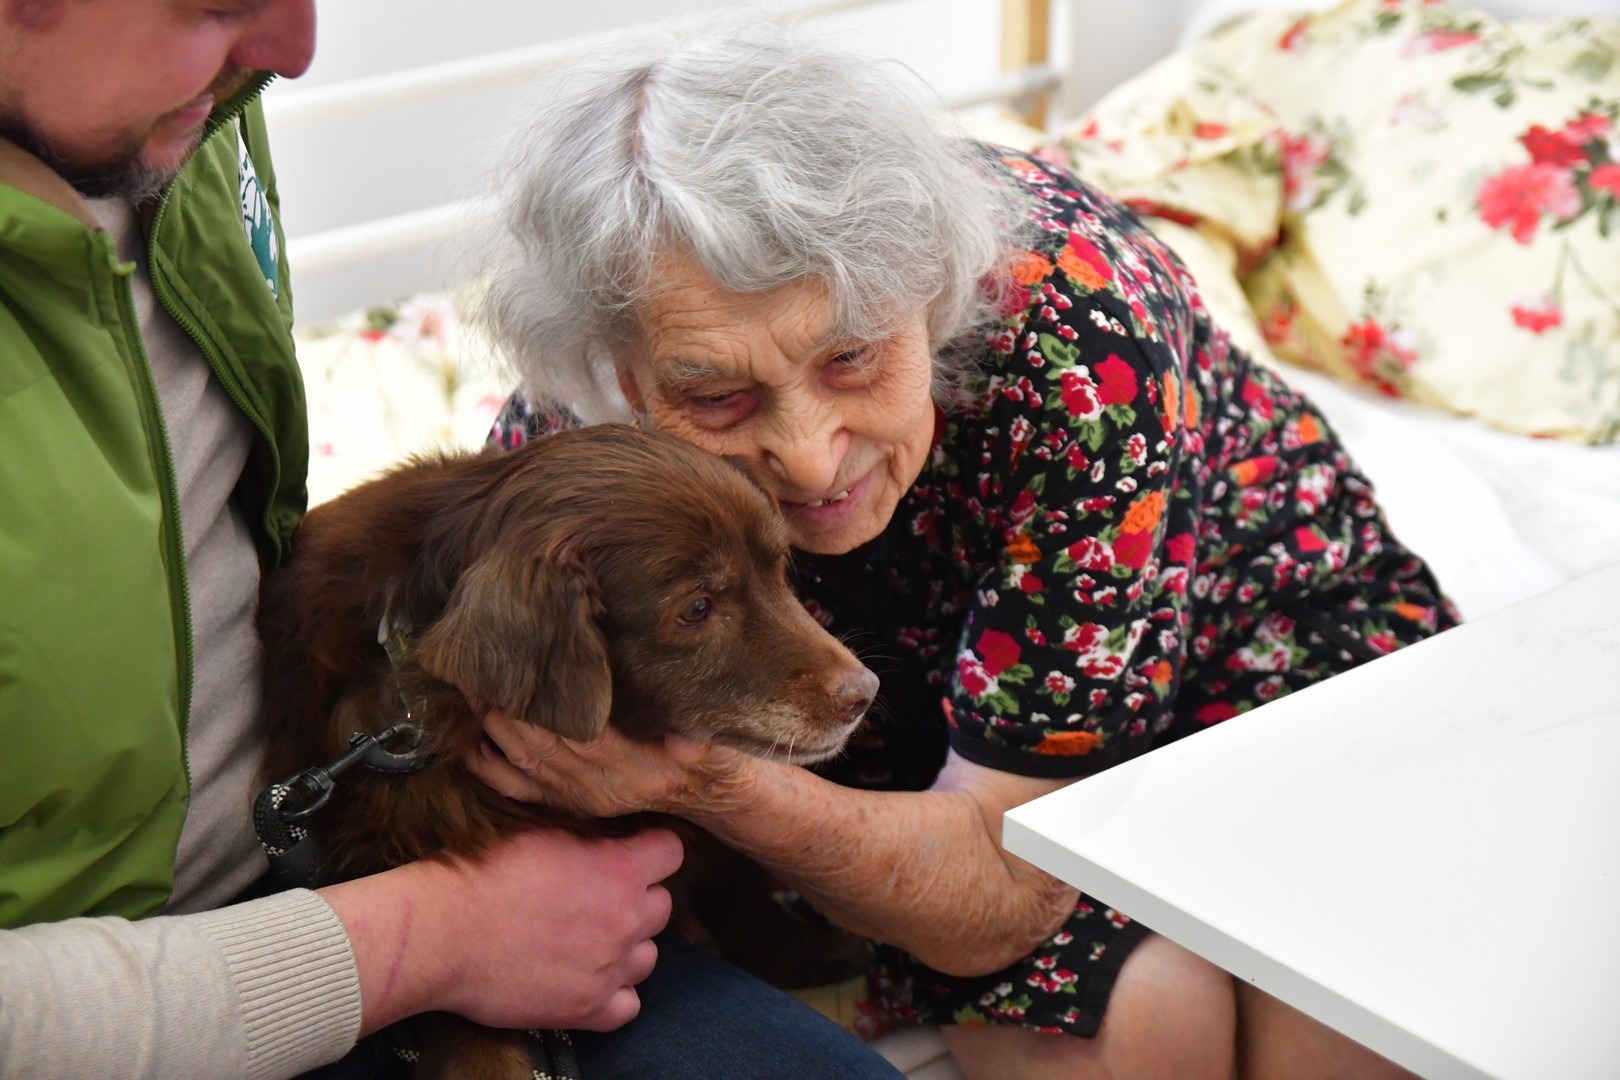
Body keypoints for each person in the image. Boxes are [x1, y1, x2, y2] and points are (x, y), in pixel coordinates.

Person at [473, 25, 1457, 1080]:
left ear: (935, 292)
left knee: (1351, 1004)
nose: (808, 462)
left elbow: (1005, 889)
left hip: (1245, 649)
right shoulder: (584, 434)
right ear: (618, 371)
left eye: (851, 356)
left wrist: (702, 782)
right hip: (890, 735)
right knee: (1137, 1023)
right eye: (716, 395)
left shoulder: (1080, 341)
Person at [0, 4, 905, 1079]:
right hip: (150, 994)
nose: (296, 54)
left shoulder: (186, 121)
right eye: (219, 3)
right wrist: (418, 945)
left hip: (356, 845)